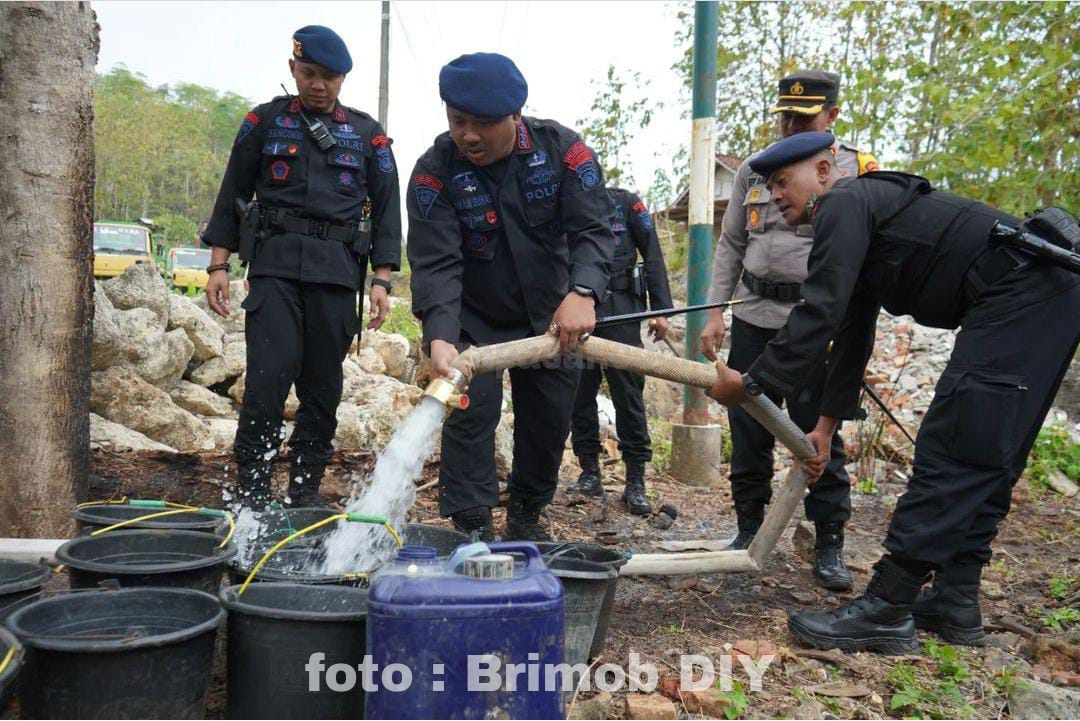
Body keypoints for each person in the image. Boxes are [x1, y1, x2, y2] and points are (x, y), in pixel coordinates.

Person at [707, 131, 1080, 653]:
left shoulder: (843, 203)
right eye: (767, 187)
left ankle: (888, 604)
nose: (774, 196)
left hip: (1024, 294)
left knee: (957, 443)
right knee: (987, 449)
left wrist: (749, 386)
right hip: (1045, 298)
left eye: (782, 182)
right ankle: (955, 597)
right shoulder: (861, 216)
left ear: (823, 170)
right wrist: (824, 426)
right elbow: (852, 332)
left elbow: (817, 313)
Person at [407, 52, 614, 542]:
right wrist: (439, 335)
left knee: (547, 419)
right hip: (471, 319)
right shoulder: (434, 173)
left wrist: (583, 292)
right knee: (469, 413)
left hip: (553, 315)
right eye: (458, 121)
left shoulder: (564, 152)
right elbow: (436, 263)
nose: (469, 135)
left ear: (515, 116)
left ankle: (526, 514)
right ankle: (472, 526)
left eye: (483, 124)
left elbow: (593, 229)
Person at [202, 25, 401, 510]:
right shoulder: (264, 121)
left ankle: (304, 492)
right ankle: (251, 493)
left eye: (329, 77)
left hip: (336, 276)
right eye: (309, 73)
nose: (318, 85)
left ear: (342, 79)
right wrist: (217, 265)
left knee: (322, 390)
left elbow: (389, 207)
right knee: (266, 384)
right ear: (293, 69)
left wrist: (382, 278)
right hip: (275, 272)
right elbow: (234, 192)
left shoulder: (368, 135)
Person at [700, 71, 879, 590]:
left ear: (832, 118)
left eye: (805, 118)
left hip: (813, 325)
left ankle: (828, 543)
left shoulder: (856, 170)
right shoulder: (757, 169)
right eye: (786, 118)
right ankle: (748, 532)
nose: (792, 126)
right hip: (753, 315)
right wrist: (715, 313)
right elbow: (732, 241)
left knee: (818, 433)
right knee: (748, 428)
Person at [569, 186, 673, 515]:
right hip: (577, 309)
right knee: (578, 392)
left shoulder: (626, 202)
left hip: (622, 308)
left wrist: (660, 309)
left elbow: (652, 252)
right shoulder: (565, 200)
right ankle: (589, 472)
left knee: (628, 393)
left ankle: (636, 481)